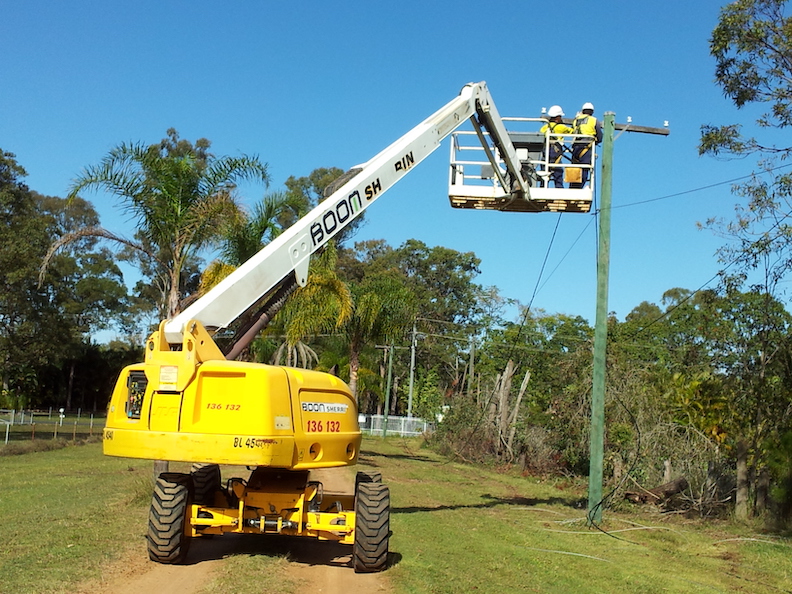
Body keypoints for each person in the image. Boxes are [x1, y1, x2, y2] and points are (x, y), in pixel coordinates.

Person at [570, 102, 603, 189]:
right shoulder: (593, 120)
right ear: (592, 112)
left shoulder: (576, 120)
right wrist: (597, 141)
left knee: (575, 170)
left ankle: (572, 188)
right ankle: (579, 188)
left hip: (576, 148)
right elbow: (599, 135)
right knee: (585, 169)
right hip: (586, 147)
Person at [539, 105, 573, 188]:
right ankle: (559, 189)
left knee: (545, 171)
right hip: (555, 152)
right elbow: (573, 131)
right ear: (557, 118)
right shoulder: (561, 127)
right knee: (557, 172)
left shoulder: (544, 127)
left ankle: (542, 188)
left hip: (545, 151)